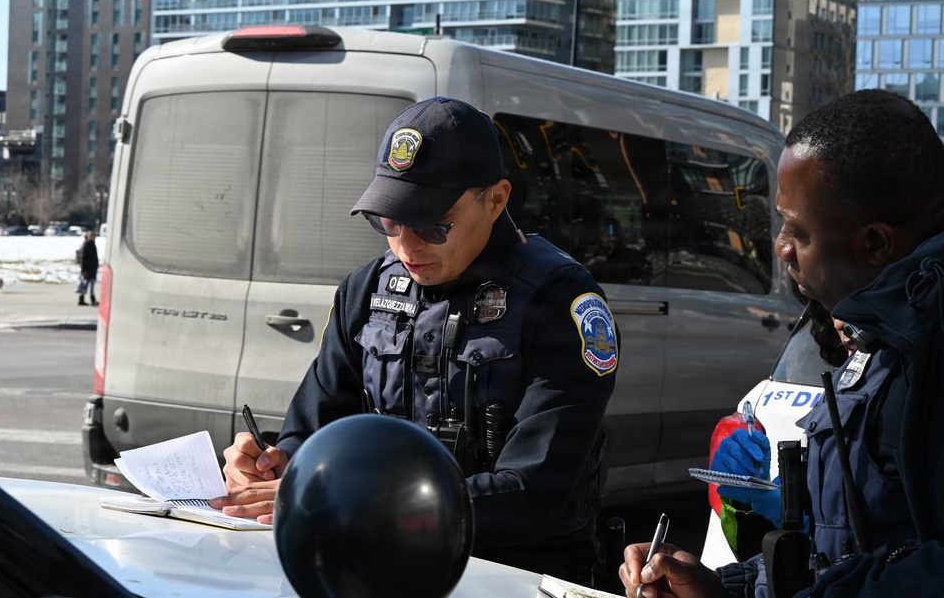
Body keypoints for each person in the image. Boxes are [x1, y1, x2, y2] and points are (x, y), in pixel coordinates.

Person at [212, 97, 620, 584]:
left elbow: (533, 492)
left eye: (430, 222)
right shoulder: (365, 291)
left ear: (496, 199)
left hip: (515, 573)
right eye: (387, 219)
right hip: (375, 565)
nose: (406, 244)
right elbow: (314, 429)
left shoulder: (559, 300)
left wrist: (357, 503)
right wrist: (273, 465)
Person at [619, 89, 944, 597]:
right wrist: (720, 587)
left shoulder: (925, 360)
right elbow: (835, 559)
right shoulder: (875, 345)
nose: (781, 247)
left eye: (799, 231)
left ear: (876, 243)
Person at [77, 231, 99, 306]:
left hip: (92, 269)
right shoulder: (86, 245)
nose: (94, 238)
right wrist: (83, 269)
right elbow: (83, 258)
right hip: (87, 269)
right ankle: (81, 299)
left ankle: (92, 299)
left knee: (91, 284)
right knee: (85, 284)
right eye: (92, 236)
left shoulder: (93, 245)